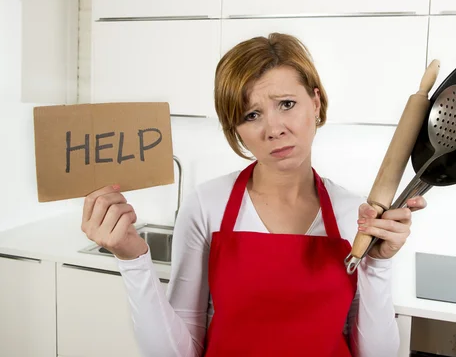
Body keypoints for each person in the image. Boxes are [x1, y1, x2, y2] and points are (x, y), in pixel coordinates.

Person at [80, 33, 427, 357]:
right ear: (236, 129)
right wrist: (132, 259)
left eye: (287, 104)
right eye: (252, 115)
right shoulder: (207, 205)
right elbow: (178, 351)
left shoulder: (357, 214)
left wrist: (378, 265)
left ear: (316, 102)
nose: (274, 129)